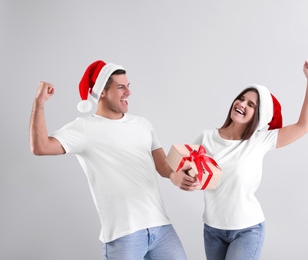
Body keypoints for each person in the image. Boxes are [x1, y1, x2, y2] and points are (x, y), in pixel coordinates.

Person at [29, 60, 197, 260]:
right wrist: (39, 104)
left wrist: (175, 175)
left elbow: (162, 166)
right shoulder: (84, 128)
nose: (128, 92)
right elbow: (40, 147)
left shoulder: (143, 124)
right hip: (123, 234)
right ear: (101, 92)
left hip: (161, 228)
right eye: (120, 87)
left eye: (128, 86)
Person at [192, 58, 308, 260]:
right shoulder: (206, 137)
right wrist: (187, 180)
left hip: (247, 230)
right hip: (212, 229)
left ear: (258, 116)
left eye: (251, 104)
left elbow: (304, 126)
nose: (242, 104)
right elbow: (187, 172)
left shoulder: (260, 140)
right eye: (241, 98)